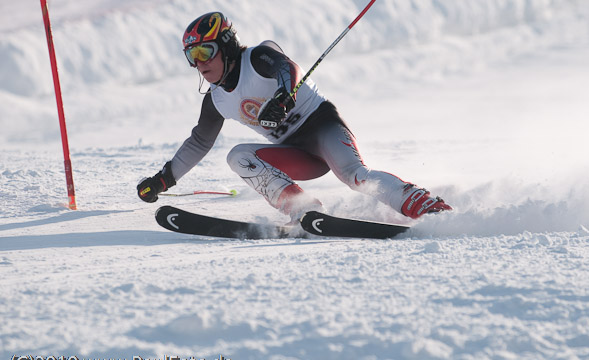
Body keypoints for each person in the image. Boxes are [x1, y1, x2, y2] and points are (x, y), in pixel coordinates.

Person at [137, 12, 452, 222]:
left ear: (226, 46)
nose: (199, 64)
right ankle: (303, 210)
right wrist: (163, 179)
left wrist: (284, 95)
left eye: (205, 52)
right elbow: (198, 144)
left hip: (322, 127)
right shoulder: (216, 100)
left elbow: (288, 68)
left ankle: (427, 207)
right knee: (238, 156)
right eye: (192, 57)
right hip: (298, 154)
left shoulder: (256, 58)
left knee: (356, 177)